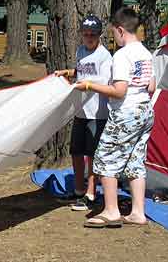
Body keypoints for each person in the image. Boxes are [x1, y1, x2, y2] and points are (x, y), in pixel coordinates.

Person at [75, 7, 155, 228]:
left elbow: (119, 90)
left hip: (125, 113)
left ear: (120, 30)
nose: (113, 38)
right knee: (136, 161)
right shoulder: (146, 53)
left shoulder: (122, 55)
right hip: (145, 111)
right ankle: (138, 212)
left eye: (113, 34)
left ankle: (111, 211)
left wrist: (90, 85)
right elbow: (152, 86)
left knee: (104, 158)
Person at [54, 14, 112, 211]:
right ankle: (78, 190)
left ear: (99, 35)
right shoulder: (80, 51)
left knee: (92, 155)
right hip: (80, 111)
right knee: (76, 152)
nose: (89, 38)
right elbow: (80, 72)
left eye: (93, 34)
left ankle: (91, 194)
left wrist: (86, 85)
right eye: (85, 34)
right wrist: (67, 73)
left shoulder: (105, 56)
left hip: (97, 113)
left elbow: (105, 82)